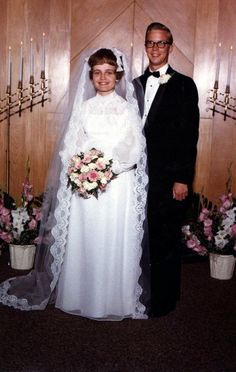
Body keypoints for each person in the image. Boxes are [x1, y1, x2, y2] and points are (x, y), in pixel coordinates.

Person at [0, 48, 148, 320]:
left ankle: (115, 299)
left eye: (108, 72)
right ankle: (80, 295)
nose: (103, 78)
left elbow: (135, 146)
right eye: (97, 73)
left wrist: (107, 167)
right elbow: (70, 146)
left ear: (118, 75)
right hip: (85, 186)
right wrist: (81, 167)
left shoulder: (127, 109)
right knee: (87, 237)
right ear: (91, 77)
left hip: (117, 186)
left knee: (113, 236)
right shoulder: (84, 108)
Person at [133, 22, 199, 317]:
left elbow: (189, 136)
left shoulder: (185, 84)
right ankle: (139, 294)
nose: (156, 49)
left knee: (166, 238)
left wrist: (182, 178)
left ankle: (165, 301)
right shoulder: (133, 84)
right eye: (150, 43)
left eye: (161, 43)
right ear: (145, 46)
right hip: (135, 177)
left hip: (168, 178)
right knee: (138, 238)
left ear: (171, 46)